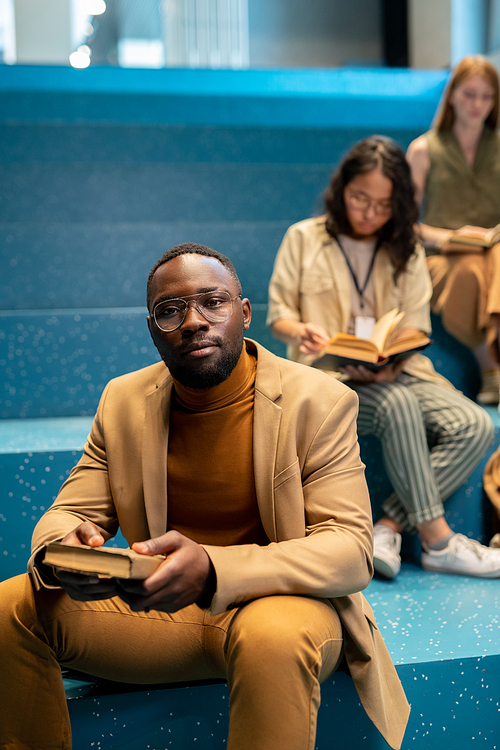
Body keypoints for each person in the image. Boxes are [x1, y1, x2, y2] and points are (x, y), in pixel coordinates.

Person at [0, 243, 409, 750]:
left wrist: (214, 568)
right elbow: (70, 510)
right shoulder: (122, 399)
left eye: (212, 302)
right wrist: (68, 548)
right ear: (153, 329)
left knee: (272, 639)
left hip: (283, 604)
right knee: (10, 606)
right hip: (165, 612)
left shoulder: (320, 400)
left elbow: (350, 550)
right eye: (170, 311)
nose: (193, 321)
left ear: (244, 313)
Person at [267, 135, 499, 581]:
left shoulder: (406, 247)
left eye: (384, 204)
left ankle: (388, 527)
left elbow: (417, 324)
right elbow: (280, 316)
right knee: (397, 405)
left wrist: (391, 362)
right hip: (328, 375)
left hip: (398, 370)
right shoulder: (303, 237)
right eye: (360, 199)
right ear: (342, 189)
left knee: (474, 425)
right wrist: (303, 332)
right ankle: (437, 541)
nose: (370, 213)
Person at [406, 55, 500, 405]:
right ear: (452, 96)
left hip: (496, 252)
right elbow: (405, 223)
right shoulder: (423, 150)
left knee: (492, 261)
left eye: (486, 96)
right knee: (470, 269)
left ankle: (494, 373)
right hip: (443, 255)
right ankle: (491, 367)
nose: (477, 105)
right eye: (469, 94)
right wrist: (444, 236)